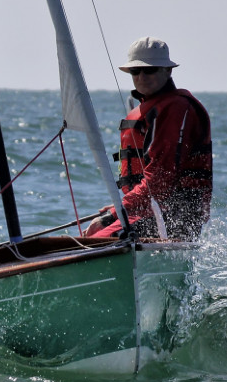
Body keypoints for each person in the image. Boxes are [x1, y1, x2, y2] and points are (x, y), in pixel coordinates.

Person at [84, 37, 212, 240]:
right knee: (88, 236)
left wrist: (114, 214)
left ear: (168, 71)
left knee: (96, 239)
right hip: (152, 210)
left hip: (173, 215)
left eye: (150, 70)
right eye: (136, 71)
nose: (142, 76)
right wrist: (121, 208)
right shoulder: (151, 108)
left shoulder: (176, 108)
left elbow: (160, 180)